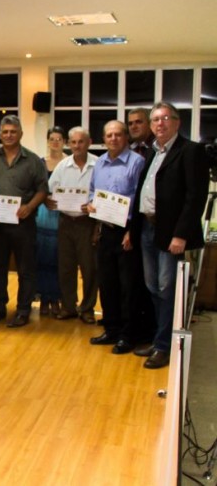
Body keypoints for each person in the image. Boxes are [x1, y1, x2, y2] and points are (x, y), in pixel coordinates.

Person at [132, 102, 210, 369]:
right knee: (153, 287)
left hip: (170, 233)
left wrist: (181, 235)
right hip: (147, 228)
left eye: (166, 118)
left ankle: (164, 347)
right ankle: (159, 339)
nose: (160, 124)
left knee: (167, 290)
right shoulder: (154, 153)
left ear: (177, 122)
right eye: (155, 120)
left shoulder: (190, 151)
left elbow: (195, 197)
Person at [0, 115, 48, 327]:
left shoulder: (33, 160)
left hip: (23, 224)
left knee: (26, 269)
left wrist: (30, 206)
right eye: (5, 132)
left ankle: (23, 310)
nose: (9, 135)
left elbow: (43, 189)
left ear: (20, 134)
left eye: (13, 132)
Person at [85, 121, 146, 356]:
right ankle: (111, 329)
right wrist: (91, 203)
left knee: (128, 286)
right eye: (109, 135)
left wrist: (132, 231)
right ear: (104, 138)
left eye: (118, 135)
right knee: (107, 282)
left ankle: (128, 335)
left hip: (127, 230)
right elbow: (92, 191)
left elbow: (140, 199)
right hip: (105, 229)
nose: (113, 139)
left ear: (126, 138)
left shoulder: (137, 162)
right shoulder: (99, 163)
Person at [47, 127, 98, 324]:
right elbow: (50, 191)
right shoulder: (62, 166)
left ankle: (87, 308)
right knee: (66, 268)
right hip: (66, 222)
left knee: (89, 269)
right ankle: (68, 306)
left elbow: (103, 193)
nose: (77, 146)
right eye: (73, 142)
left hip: (88, 223)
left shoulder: (98, 164)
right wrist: (48, 201)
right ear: (69, 144)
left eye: (81, 142)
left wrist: (95, 207)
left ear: (89, 142)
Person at [36, 127, 67, 317]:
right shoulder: (40, 163)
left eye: (59, 139)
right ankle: (43, 299)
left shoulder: (68, 162)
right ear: (47, 141)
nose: (55, 142)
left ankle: (56, 298)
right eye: (52, 139)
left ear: (64, 142)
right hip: (42, 213)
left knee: (58, 260)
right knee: (42, 258)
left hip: (62, 213)